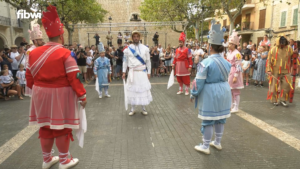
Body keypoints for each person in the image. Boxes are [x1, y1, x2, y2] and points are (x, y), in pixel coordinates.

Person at [26, 5, 87, 169]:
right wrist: (82, 95)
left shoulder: (32, 53)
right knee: (62, 127)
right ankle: (64, 160)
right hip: (60, 94)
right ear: (61, 35)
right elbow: (75, 77)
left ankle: (47, 160)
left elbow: (28, 78)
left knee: (45, 127)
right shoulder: (65, 53)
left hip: (40, 94)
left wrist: (40, 88)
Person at [191, 20, 231, 155]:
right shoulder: (226, 62)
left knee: (208, 120)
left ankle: (205, 145)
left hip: (210, 92)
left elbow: (199, 81)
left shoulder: (206, 62)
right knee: (220, 118)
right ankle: (217, 142)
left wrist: (194, 93)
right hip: (224, 91)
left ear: (210, 46)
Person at [122, 30, 152, 116]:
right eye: (134, 37)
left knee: (142, 89)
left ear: (139, 38)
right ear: (132, 38)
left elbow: (148, 61)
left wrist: (149, 72)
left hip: (142, 72)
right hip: (132, 73)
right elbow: (125, 62)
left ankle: (143, 108)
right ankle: (132, 108)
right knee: (132, 90)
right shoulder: (127, 50)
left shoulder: (145, 49)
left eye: (137, 37)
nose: (136, 38)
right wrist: (124, 72)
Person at [266, 34, 294, 107]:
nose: (282, 42)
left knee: (286, 85)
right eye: (281, 41)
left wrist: (296, 55)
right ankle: (274, 100)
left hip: (286, 70)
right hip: (275, 70)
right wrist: (268, 69)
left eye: (284, 41)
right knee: (273, 86)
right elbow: (269, 60)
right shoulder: (273, 49)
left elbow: (293, 57)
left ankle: (283, 99)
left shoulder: (289, 48)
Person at [25, 24, 44, 97]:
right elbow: (28, 63)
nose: (42, 41)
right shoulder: (30, 50)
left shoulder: (41, 49)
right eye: (40, 40)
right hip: (34, 74)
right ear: (35, 41)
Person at [227, 30, 244, 113]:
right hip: (230, 71)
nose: (229, 45)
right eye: (229, 43)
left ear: (234, 45)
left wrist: (236, 76)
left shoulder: (237, 53)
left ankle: (236, 107)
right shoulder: (229, 52)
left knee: (235, 91)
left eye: (230, 44)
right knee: (230, 90)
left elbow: (238, 65)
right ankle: (230, 105)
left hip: (234, 72)